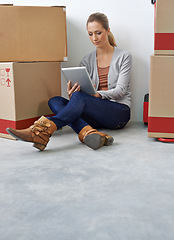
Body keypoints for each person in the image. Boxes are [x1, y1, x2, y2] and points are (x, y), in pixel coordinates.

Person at [6, 12, 132, 151]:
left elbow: (121, 91)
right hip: (95, 114)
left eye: (98, 33)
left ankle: (41, 131)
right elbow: (86, 94)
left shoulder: (124, 56)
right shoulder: (86, 61)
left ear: (108, 31)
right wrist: (74, 95)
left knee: (78, 99)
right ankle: (88, 132)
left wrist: (97, 95)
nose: (94, 38)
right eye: (90, 34)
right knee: (54, 101)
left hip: (118, 113)